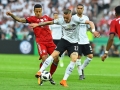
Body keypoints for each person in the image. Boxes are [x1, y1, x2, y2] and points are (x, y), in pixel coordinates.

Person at [29, 9, 99, 87]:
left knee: (74, 60)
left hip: (74, 43)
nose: (65, 19)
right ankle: (40, 71)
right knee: (54, 55)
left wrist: (93, 31)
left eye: (67, 18)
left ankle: (64, 80)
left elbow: (90, 22)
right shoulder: (61, 20)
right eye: (64, 17)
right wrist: (38, 25)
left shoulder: (76, 19)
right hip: (64, 40)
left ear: (71, 15)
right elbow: (50, 22)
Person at [6, 4, 59, 85]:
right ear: (34, 11)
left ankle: (50, 76)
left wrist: (57, 18)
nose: (38, 13)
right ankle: (41, 76)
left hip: (50, 42)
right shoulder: (32, 19)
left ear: (42, 10)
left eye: (39, 11)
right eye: (36, 11)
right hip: (41, 42)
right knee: (45, 58)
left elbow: (54, 21)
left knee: (56, 59)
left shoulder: (46, 17)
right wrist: (12, 15)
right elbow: (20, 20)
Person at [74, 4, 100, 80]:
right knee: (78, 57)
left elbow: (88, 28)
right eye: (78, 8)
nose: (79, 9)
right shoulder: (74, 18)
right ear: (76, 9)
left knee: (90, 56)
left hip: (85, 40)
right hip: (77, 41)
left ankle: (81, 68)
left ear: (83, 9)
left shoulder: (86, 18)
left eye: (81, 8)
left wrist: (94, 33)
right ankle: (80, 74)